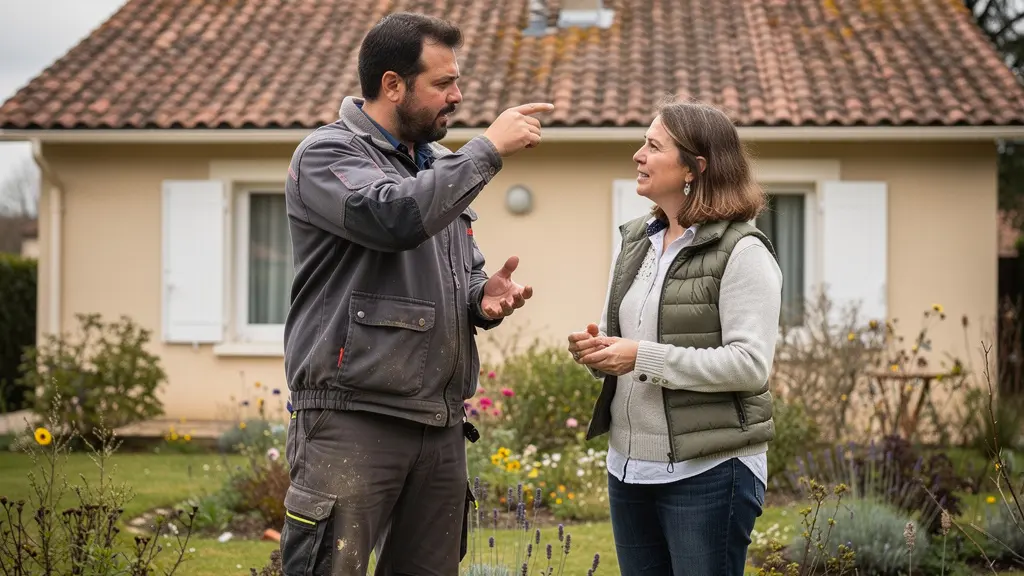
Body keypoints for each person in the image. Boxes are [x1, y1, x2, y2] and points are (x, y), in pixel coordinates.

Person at [280, 12, 553, 576]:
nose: (457, 96)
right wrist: (487, 150)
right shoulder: (328, 157)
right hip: (352, 420)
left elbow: (455, 271)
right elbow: (394, 217)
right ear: (392, 85)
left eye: (457, 82)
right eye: (442, 84)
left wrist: (482, 298)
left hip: (439, 425)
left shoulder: (435, 168)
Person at [567, 99, 783, 576]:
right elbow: (621, 341)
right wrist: (597, 351)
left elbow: (749, 366)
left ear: (694, 167)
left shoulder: (743, 251)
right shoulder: (636, 243)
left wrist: (640, 356)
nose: (637, 156)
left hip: (709, 470)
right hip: (628, 467)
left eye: (652, 146)